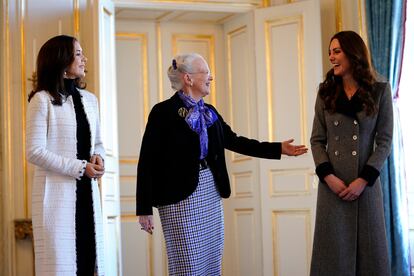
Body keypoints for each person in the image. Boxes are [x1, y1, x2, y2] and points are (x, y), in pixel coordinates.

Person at [136, 53, 308, 275]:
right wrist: (144, 208)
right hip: (178, 197)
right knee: (187, 264)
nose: (211, 77)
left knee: (210, 261)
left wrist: (277, 149)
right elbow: (147, 160)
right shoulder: (163, 112)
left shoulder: (210, 112)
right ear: (188, 78)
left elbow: (234, 141)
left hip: (210, 190)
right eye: (206, 72)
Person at [310, 31, 393, 275]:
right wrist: (329, 178)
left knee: (370, 260)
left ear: (353, 53)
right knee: (333, 261)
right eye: (329, 53)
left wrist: (363, 180)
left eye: (337, 51)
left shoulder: (379, 91)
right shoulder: (325, 92)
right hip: (333, 190)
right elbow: (317, 140)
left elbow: (385, 141)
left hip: (365, 188)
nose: (331, 57)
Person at [26, 35, 106, 276]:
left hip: (88, 198)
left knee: (89, 263)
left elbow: (99, 143)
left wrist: (99, 157)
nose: (84, 59)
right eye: (78, 54)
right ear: (61, 60)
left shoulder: (91, 100)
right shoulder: (42, 100)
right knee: (62, 266)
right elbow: (34, 151)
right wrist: (80, 167)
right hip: (56, 199)